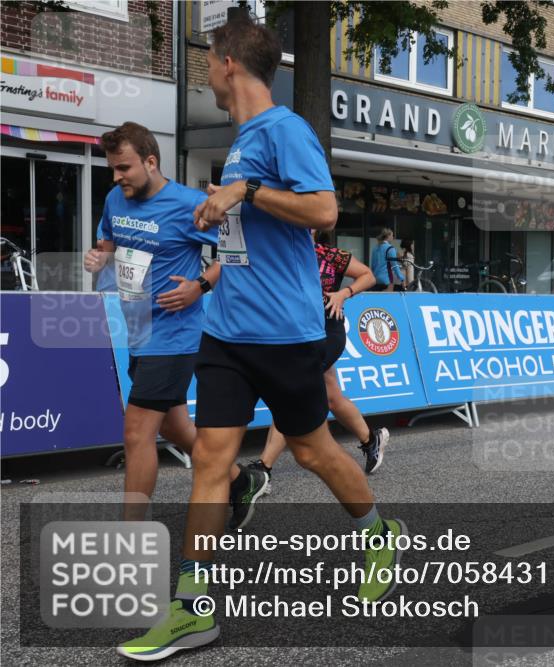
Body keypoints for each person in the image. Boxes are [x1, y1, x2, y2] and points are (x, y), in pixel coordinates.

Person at [118, 19, 402, 661]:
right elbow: (256, 234)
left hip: (286, 334)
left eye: (208, 60)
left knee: (313, 453)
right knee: (214, 463)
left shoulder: (284, 130)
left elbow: (325, 212)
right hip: (227, 331)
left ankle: (380, 533)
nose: (206, 70)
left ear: (226, 64)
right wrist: (221, 213)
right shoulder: (244, 141)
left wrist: (245, 191)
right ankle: (193, 608)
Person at [83, 122, 264, 524]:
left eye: (124, 167)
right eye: (112, 168)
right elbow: (108, 245)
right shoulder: (116, 199)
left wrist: (200, 285)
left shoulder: (188, 203)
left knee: (136, 433)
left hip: (175, 334)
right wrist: (98, 258)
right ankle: (240, 481)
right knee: (178, 429)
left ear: (151, 161)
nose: (116, 176)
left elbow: (236, 253)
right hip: (137, 331)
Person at [243, 232, 389, 500]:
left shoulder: (329, 255)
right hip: (296, 334)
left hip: (327, 331)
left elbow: (368, 275)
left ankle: (264, 468)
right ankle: (371, 439)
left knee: (290, 390)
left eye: (306, 227)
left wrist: (343, 293)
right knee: (332, 396)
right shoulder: (280, 256)